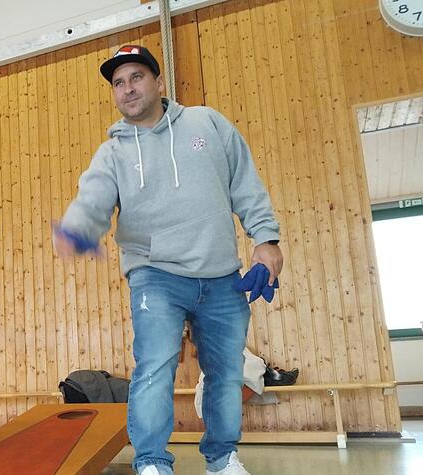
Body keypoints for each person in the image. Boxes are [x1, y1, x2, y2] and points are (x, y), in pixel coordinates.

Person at [53, 45, 283, 475]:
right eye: (118, 83)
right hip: (154, 275)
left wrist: (266, 239)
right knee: (154, 368)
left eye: (136, 77)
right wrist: (77, 228)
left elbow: (245, 183)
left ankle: (222, 459)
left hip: (221, 274)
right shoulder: (113, 152)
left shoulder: (206, 123)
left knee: (226, 372)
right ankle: (152, 463)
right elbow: (93, 198)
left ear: (159, 82)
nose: (127, 88)